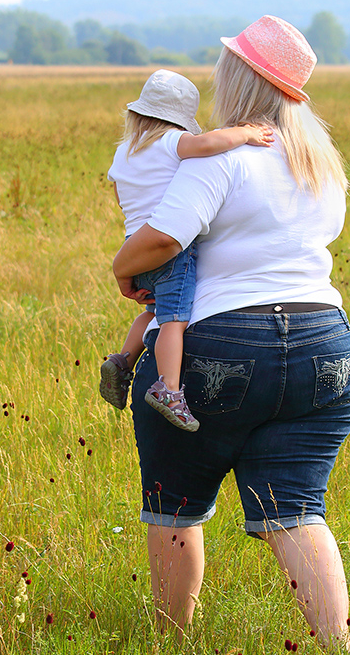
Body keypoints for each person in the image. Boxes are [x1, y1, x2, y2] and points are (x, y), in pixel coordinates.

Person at [111, 16, 350, 651]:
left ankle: (172, 649)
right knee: (299, 508)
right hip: (325, 346)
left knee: (175, 503)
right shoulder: (321, 165)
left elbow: (165, 239)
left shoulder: (226, 155)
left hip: (225, 346)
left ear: (238, 82)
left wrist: (120, 268)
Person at [100, 69, 273, 432]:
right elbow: (207, 145)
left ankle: (123, 360)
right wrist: (246, 133)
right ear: (178, 121)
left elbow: (119, 195)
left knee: (152, 311)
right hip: (170, 251)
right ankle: (169, 389)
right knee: (173, 321)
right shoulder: (171, 143)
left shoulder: (124, 152)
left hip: (136, 247)